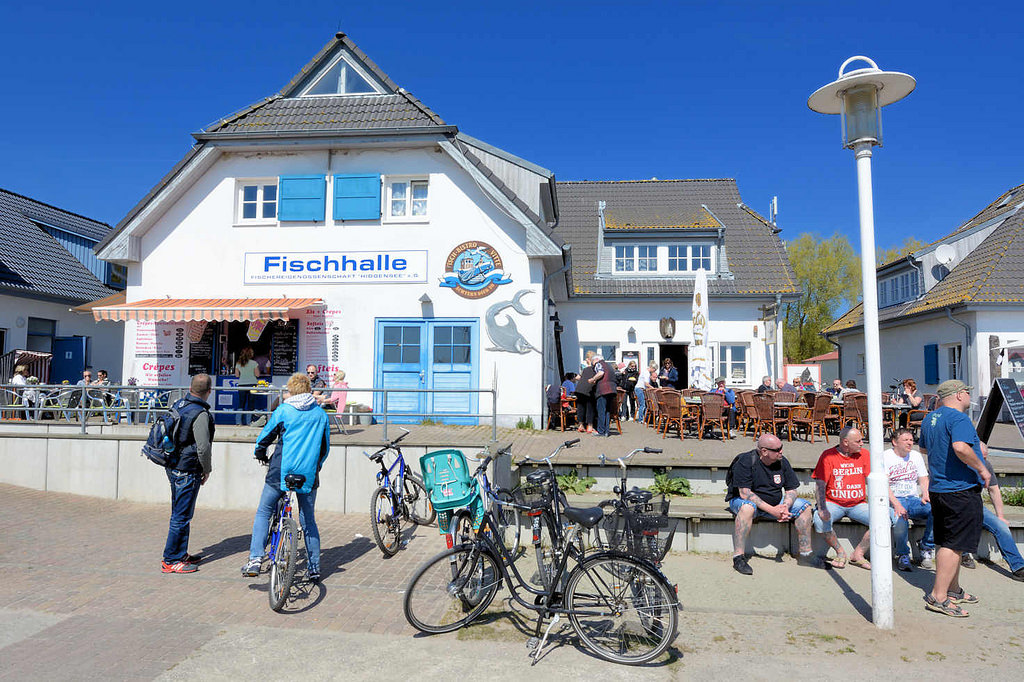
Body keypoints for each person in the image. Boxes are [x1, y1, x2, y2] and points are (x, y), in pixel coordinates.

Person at [242, 372, 331, 582]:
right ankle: (314, 568)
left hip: (280, 470)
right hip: (308, 474)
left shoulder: (284, 410)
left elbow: (265, 437)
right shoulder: (321, 415)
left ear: (290, 391)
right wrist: (316, 466)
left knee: (264, 511)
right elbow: (325, 448)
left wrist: (260, 453)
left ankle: (255, 558)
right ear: (309, 390)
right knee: (308, 519)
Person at [919, 380, 991, 617]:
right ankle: (938, 597)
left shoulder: (930, 418)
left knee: (948, 541)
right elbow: (960, 447)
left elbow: (924, 449)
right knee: (953, 544)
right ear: (959, 395)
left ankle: (954, 590)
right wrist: (981, 468)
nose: (969, 397)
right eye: (967, 393)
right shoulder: (959, 419)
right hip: (959, 489)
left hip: (940, 488)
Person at [727, 434, 828, 575]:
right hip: (744, 501)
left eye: (781, 448)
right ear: (764, 451)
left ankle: (805, 555)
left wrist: (785, 506)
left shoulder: (781, 461)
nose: (781, 451)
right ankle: (738, 557)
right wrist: (773, 511)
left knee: (805, 506)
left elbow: (791, 489)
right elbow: (745, 493)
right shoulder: (746, 460)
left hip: (776, 503)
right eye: (777, 449)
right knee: (747, 508)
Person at [161, 374, 214, 574]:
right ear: (209, 391)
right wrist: (206, 469)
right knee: (181, 516)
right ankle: (171, 560)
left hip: (173, 465)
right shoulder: (200, 413)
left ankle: (180, 553)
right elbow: (203, 447)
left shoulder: (180, 403)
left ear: (191, 388)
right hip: (187, 469)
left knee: (180, 513)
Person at [812, 427, 872, 569]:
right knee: (820, 520)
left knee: (883, 520)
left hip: (858, 504)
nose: (862, 443)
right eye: (858, 441)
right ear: (845, 442)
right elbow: (820, 485)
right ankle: (840, 552)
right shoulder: (828, 456)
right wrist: (822, 508)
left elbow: (871, 479)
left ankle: (858, 554)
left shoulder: (864, 454)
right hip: (833, 502)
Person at [959, 455, 1024, 581]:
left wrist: (1000, 516)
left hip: (976, 504)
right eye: (978, 455)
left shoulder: (986, 465)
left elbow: (994, 490)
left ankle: (1018, 567)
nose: (981, 460)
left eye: (984, 457)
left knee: (1001, 527)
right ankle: (964, 553)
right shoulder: (958, 462)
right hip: (956, 503)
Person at [884, 428, 934, 572]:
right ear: (894, 442)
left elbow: (923, 478)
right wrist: (897, 504)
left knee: (937, 510)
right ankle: (902, 554)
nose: (910, 443)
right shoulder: (886, 456)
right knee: (900, 518)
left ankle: (926, 546)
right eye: (905, 440)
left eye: (911, 440)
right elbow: (884, 485)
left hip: (913, 499)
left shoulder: (916, 456)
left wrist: (925, 493)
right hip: (894, 499)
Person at [592, 354, 618, 437]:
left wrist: (593, 379)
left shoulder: (598, 364)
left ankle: (601, 431)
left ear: (596, 359)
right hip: (612, 389)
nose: (592, 364)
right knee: (607, 411)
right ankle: (606, 431)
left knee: (601, 411)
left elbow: (601, 372)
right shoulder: (609, 366)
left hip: (603, 389)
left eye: (592, 362)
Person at [234, 347, 260, 425]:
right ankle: (249, 422)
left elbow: (237, 375)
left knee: (241, 403)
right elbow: (257, 375)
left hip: (241, 385)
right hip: (252, 385)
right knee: (250, 404)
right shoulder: (254, 363)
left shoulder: (238, 363)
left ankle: (238, 422)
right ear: (251, 354)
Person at [575, 357, 598, 434]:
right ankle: (590, 426)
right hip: (589, 390)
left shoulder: (586, 369)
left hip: (579, 389)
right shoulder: (597, 370)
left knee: (580, 407)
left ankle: (580, 425)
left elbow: (580, 377)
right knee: (590, 408)